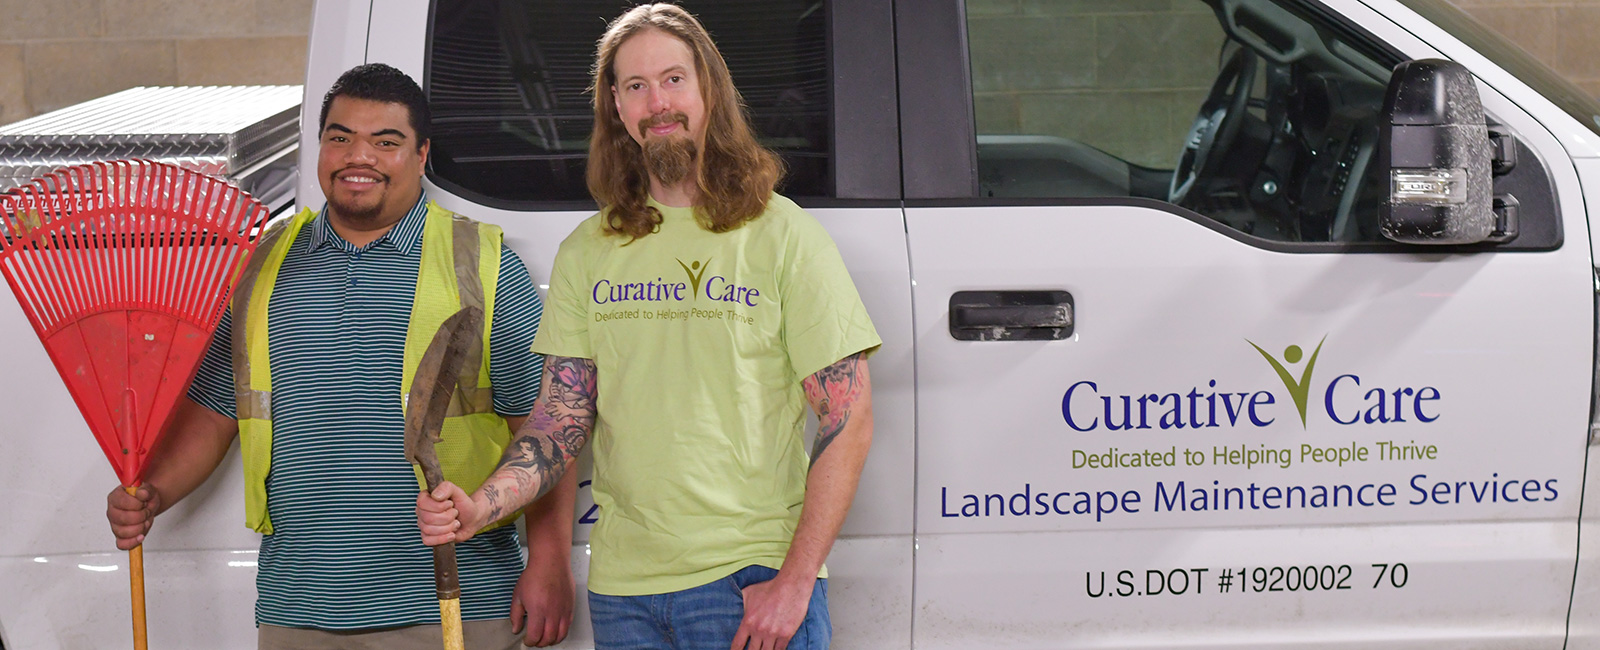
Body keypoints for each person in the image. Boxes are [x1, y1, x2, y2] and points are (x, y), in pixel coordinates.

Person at [417, 4, 880, 650]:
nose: (657, 102)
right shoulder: (591, 249)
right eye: (635, 87)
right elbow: (561, 417)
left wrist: (796, 582)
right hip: (626, 593)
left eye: (672, 80)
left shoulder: (783, 235)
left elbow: (848, 418)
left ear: (708, 89)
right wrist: (483, 505)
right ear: (615, 106)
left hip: (749, 580)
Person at [105, 63, 578, 650]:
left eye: (387, 142)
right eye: (340, 137)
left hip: (454, 600)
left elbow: (544, 426)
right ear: (320, 147)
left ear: (422, 154)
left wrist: (550, 561)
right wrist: (154, 493)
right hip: (298, 608)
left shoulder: (480, 265)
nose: (361, 156)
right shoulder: (260, 266)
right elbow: (216, 413)